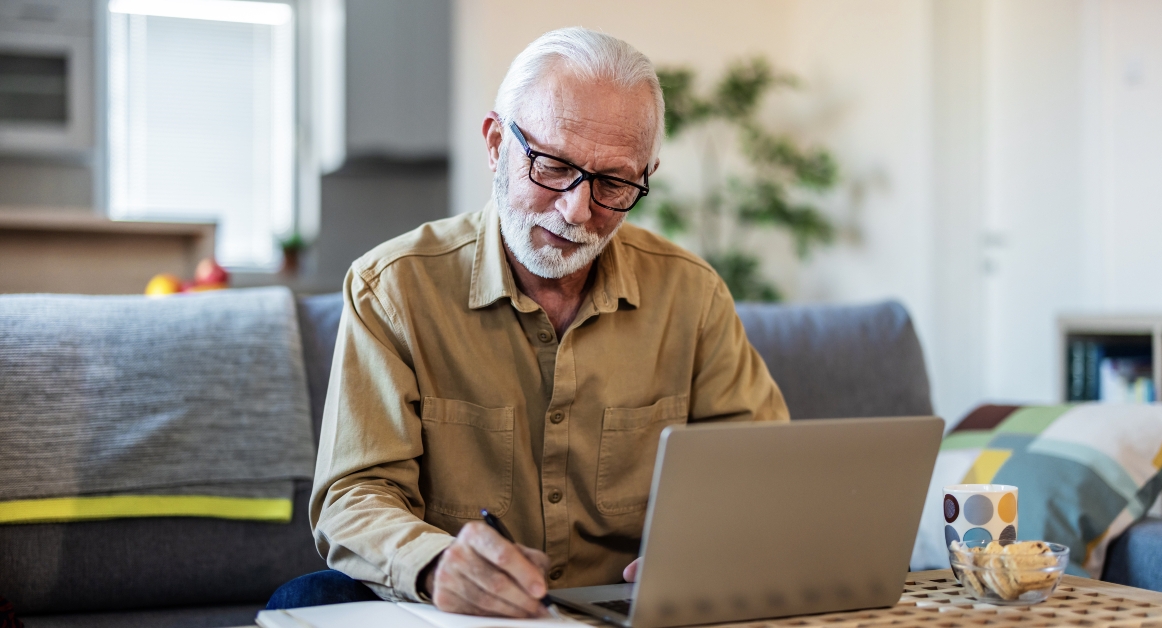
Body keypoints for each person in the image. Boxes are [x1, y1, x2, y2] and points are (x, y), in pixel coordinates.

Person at [268, 27, 788, 617]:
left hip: (630, 608)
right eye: (553, 166)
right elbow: (354, 496)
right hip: (458, 610)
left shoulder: (691, 294)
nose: (576, 209)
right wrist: (437, 565)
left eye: (614, 183)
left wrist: (713, 548)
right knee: (307, 601)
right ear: (496, 143)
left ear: (646, 174)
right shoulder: (392, 289)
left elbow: (761, 469)